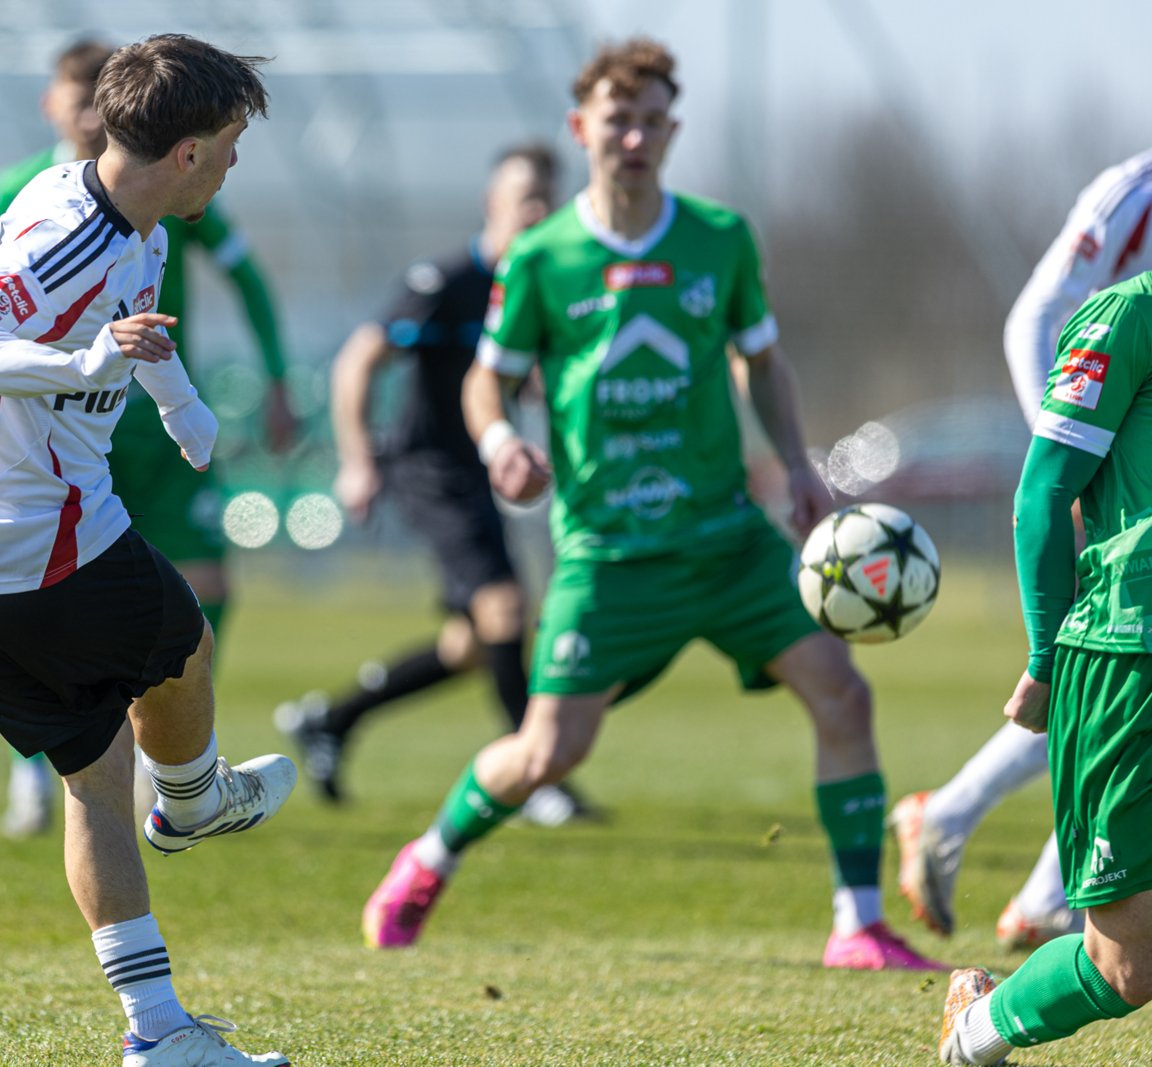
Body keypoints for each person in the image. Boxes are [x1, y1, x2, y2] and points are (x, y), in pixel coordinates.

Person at [360, 37, 940, 971]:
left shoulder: (718, 235)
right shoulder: (545, 256)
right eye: (616, 119)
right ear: (580, 127)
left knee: (842, 692)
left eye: (652, 119)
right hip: (608, 555)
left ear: (672, 129)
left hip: (727, 541)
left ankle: (858, 923)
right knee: (547, 752)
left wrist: (794, 460)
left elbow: (761, 356)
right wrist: (503, 439)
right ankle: (428, 858)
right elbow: (487, 381)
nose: (633, 136)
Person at [0, 35, 295, 1066]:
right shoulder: (72, 235)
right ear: (183, 151)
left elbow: (134, 325)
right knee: (186, 642)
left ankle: (159, 1032)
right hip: (39, 546)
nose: (230, 164)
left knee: (92, 777)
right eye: (226, 145)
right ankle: (199, 798)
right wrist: (75, 360)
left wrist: (180, 403)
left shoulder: (136, 223)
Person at [0, 37, 297, 839]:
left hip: (154, 434)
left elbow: (248, 278)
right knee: (56, 611)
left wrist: (273, 380)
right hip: (66, 435)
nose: (89, 109)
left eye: (100, 91)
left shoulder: (175, 192)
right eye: (76, 93)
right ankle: (44, 769)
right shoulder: (28, 193)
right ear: (52, 104)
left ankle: (176, 767)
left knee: (200, 595)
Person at [272, 144, 590, 825]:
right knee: (505, 606)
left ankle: (331, 719)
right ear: (492, 205)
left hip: (479, 470)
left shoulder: (535, 284)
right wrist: (358, 459)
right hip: (428, 469)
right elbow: (360, 358)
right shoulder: (447, 279)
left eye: (547, 198)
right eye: (524, 197)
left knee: (471, 644)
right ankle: (535, 776)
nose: (538, 211)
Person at [891, 148, 1152, 949]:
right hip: (1104, 422)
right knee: (1107, 661)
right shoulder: (1133, 190)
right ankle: (1013, 865)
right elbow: (1036, 315)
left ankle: (1027, 877)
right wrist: (1070, 459)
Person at [934, 272, 1152, 1063]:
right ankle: (972, 1034)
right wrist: (1046, 654)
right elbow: (1042, 491)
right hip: (1131, 656)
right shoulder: (1128, 315)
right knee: (1124, 964)